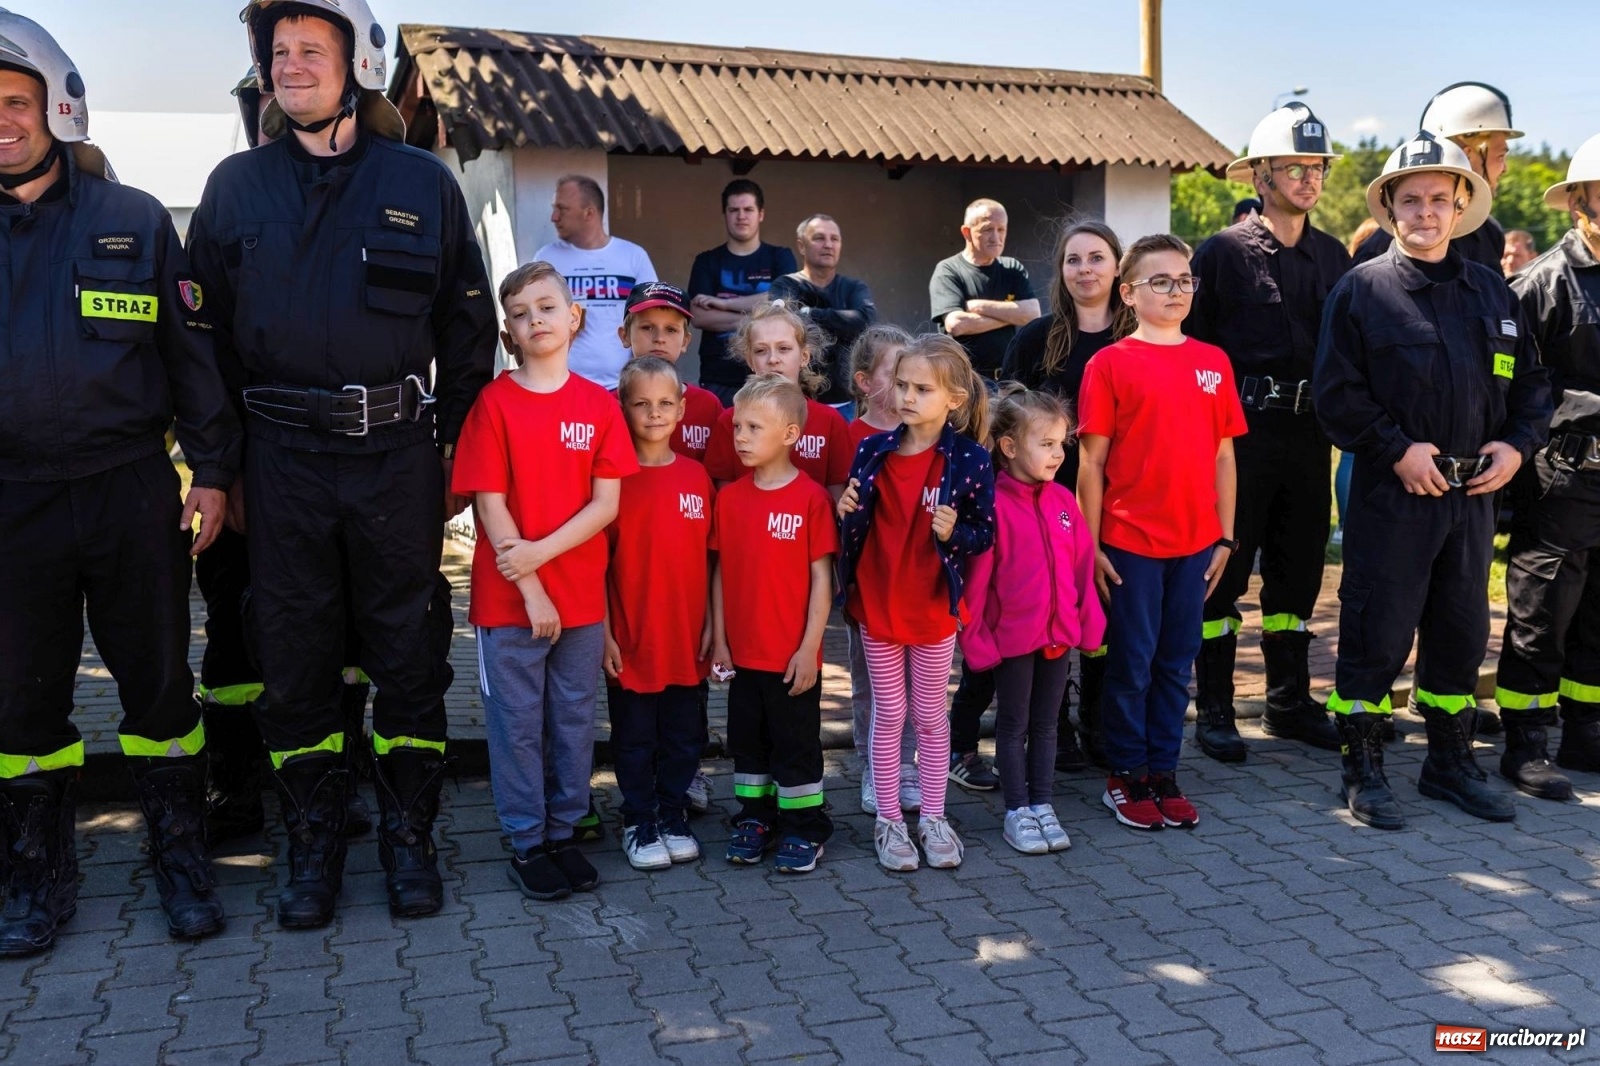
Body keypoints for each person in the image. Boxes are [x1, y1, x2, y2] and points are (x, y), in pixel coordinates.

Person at [188, 0, 497, 928]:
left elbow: (467, 328)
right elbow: (201, 339)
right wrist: (219, 463)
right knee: (294, 662)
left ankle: (410, 842)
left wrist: (454, 452)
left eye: (309, 50)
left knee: (408, 657)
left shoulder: (421, 182)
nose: (291, 65)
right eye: (278, 52)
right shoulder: (235, 186)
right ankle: (312, 850)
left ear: (354, 64)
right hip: (279, 464)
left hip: (396, 457)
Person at [0, 10, 240, 956]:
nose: (2, 121)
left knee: (158, 688)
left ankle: (179, 860)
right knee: (20, 703)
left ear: (58, 108)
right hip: (11, 501)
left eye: (15, 102)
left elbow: (192, 362)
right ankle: (34, 874)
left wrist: (213, 470)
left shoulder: (131, 220)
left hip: (130, 491)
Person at [1314, 132, 1551, 830]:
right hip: (1397, 495)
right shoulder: (1361, 291)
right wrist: (1395, 449)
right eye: (1411, 199)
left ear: (1460, 206)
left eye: (1439, 200)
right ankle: (1363, 768)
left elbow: (1533, 384)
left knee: (1459, 629)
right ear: (1389, 207)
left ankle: (1449, 762)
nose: (1425, 211)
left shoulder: (1491, 292)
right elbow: (1337, 394)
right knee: (1375, 631)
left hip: (1474, 497)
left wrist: (1515, 445)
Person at [453, 262, 637, 900]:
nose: (536, 319)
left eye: (547, 306)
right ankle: (528, 841)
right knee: (517, 722)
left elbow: (605, 505)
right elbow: (490, 502)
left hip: (581, 597)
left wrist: (541, 557)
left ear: (574, 316)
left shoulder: (598, 405)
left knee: (573, 718)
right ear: (509, 331)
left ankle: (564, 828)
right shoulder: (494, 404)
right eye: (522, 312)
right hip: (509, 603)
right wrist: (527, 580)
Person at [1185, 103, 1351, 762]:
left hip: (1310, 437)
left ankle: (1288, 703)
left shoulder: (1334, 256)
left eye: (1316, 168)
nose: (1307, 179)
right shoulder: (1222, 254)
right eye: (1293, 167)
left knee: (1298, 576)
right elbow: (1192, 353)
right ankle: (1216, 710)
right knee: (1222, 578)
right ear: (1259, 175)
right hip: (1238, 441)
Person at [1077, 234, 1247, 832]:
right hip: (1130, 546)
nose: (1176, 291)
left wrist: (1225, 538)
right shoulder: (1110, 364)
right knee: (1133, 663)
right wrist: (1092, 544)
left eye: (1185, 280)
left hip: (1197, 545)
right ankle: (1124, 776)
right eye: (1161, 281)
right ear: (1128, 292)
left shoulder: (1214, 362)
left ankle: (1162, 771)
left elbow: (1224, 457)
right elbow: (1091, 463)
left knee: (1178, 662)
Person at [837, 336, 996, 872]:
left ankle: (932, 816)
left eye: (921, 388)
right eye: (901, 385)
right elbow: (855, 523)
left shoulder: (970, 459)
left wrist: (957, 533)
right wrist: (846, 507)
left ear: (953, 398)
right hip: (878, 606)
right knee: (890, 714)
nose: (906, 396)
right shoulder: (872, 449)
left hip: (933, 611)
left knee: (930, 717)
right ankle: (889, 820)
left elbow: (985, 533)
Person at [999, 218, 1134, 771]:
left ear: (1118, 266)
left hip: (1121, 501)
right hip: (1047, 505)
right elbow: (1005, 417)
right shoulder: (1037, 339)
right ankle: (1051, 728)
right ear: (1061, 271)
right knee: (1048, 618)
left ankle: (1099, 722)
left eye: (1096, 258)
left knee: (1104, 618)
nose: (1085, 269)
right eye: (1073, 259)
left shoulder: (1138, 339)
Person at [1492, 133, 1600, 798]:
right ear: (1580, 202)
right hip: (1561, 477)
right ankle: (1525, 744)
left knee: (1598, 614)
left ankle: (1585, 732)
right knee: (1543, 612)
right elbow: (1512, 387)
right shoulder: (1541, 284)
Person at [960, 389, 1105, 855]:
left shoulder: (1064, 501)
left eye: (1062, 443)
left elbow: (1083, 566)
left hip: (1059, 637)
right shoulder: (993, 504)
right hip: (1012, 641)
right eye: (1046, 443)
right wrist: (977, 639)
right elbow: (976, 582)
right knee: (1013, 724)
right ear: (1009, 447)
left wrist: (1089, 623)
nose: (1058, 454)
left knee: (1047, 725)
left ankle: (1044, 805)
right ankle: (1017, 811)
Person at [709, 373, 837, 874]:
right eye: (737, 426)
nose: (739, 436)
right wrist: (719, 642)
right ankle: (755, 818)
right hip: (742, 656)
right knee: (748, 742)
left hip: (791, 659)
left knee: (796, 746)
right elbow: (719, 574)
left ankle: (806, 827)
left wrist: (810, 649)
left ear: (789, 434)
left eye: (753, 427)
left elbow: (822, 582)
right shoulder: (730, 499)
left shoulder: (810, 500)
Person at [603, 357, 712, 869]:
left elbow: (713, 562)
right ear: (622, 407)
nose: (653, 413)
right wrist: (604, 634)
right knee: (634, 739)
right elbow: (597, 569)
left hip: (686, 641)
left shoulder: (697, 478)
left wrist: (716, 625)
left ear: (682, 408)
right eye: (641, 404)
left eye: (665, 403)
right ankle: (638, 819)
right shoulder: (610, 481)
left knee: (684, 737)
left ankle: (672, 814)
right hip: (631, 641)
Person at [843, 327, 921, 817]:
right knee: (871, 682)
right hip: (867, 588)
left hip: (918, 584)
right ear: (865, 382)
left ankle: (908, 768)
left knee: (917, 684)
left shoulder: (927, 435)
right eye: (895, 377)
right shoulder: (850, 438)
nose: (906, 389)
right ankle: (876, 768)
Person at [1353, 83, 1522, 272]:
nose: (1505, 168)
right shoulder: (1379, 249)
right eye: (1500, 156)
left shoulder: (1490, 233)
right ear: (1467, 155)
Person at [702, 302, 852, 498]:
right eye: (761, 351)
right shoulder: (730, 421)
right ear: (750, 361)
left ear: (804, 356)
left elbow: (837, 498)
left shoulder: (830, 422)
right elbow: (723, 497)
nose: (773, 359)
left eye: (784, 348)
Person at [535, 174, 657, 390]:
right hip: (562, 386)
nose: (554, 217)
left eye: (562, 209)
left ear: (589, 213)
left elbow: (652, 319)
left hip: (621, 388)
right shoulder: (546, 259)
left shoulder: (633, 256)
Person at [688, 180, 798, 406]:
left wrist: (723, 304)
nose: (741, 216)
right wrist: (762, 315)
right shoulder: (706, 261)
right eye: (733, 210)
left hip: (771, 376)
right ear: (725, 215)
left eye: (748, 209)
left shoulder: (780, 257)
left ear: (761, 214)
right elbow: (700, 317)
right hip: (719, 377)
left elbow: (784, 302)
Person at [768, 214, 878, 416]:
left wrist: (807, 312)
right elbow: (782, 323)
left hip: (849, 405)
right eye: (819, 238)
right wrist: (843, 321)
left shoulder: (854, 287)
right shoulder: (785, 285)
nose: (828, 244)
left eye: (834, 239)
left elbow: (866, 322)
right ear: (801, 246)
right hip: (797, 403)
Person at [929, 199, 1040, 380]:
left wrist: (977, 306)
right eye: (988, 229)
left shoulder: (1012, 268)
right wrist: (1012, 315)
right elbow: (956, 324)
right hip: (965, 381)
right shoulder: (948, 270)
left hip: (1008, 380)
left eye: (1001, 229)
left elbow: (1033, 314)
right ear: (967, 232)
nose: (996, 237)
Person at [616, 282, 722, 463]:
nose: (659, 339)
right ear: (625, 335)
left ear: (685, 341)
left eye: (671, 329)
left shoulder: (708, 406)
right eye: (647, 327)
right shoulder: (608, 405)